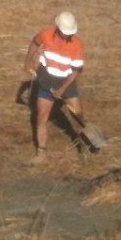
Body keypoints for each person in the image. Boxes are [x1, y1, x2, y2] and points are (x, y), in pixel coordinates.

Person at [20, 12, 85, 153]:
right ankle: (41, 152)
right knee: (41, 118)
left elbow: (75, 72)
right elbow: (35, 42)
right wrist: (27, 62)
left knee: (78, 117)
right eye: (65, 33)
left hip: (66, 81)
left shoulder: (77, 45)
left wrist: (61, 90)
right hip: (46, 79)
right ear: (58, 28)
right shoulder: (45, 34)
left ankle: (84, 147)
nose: (67, 35)